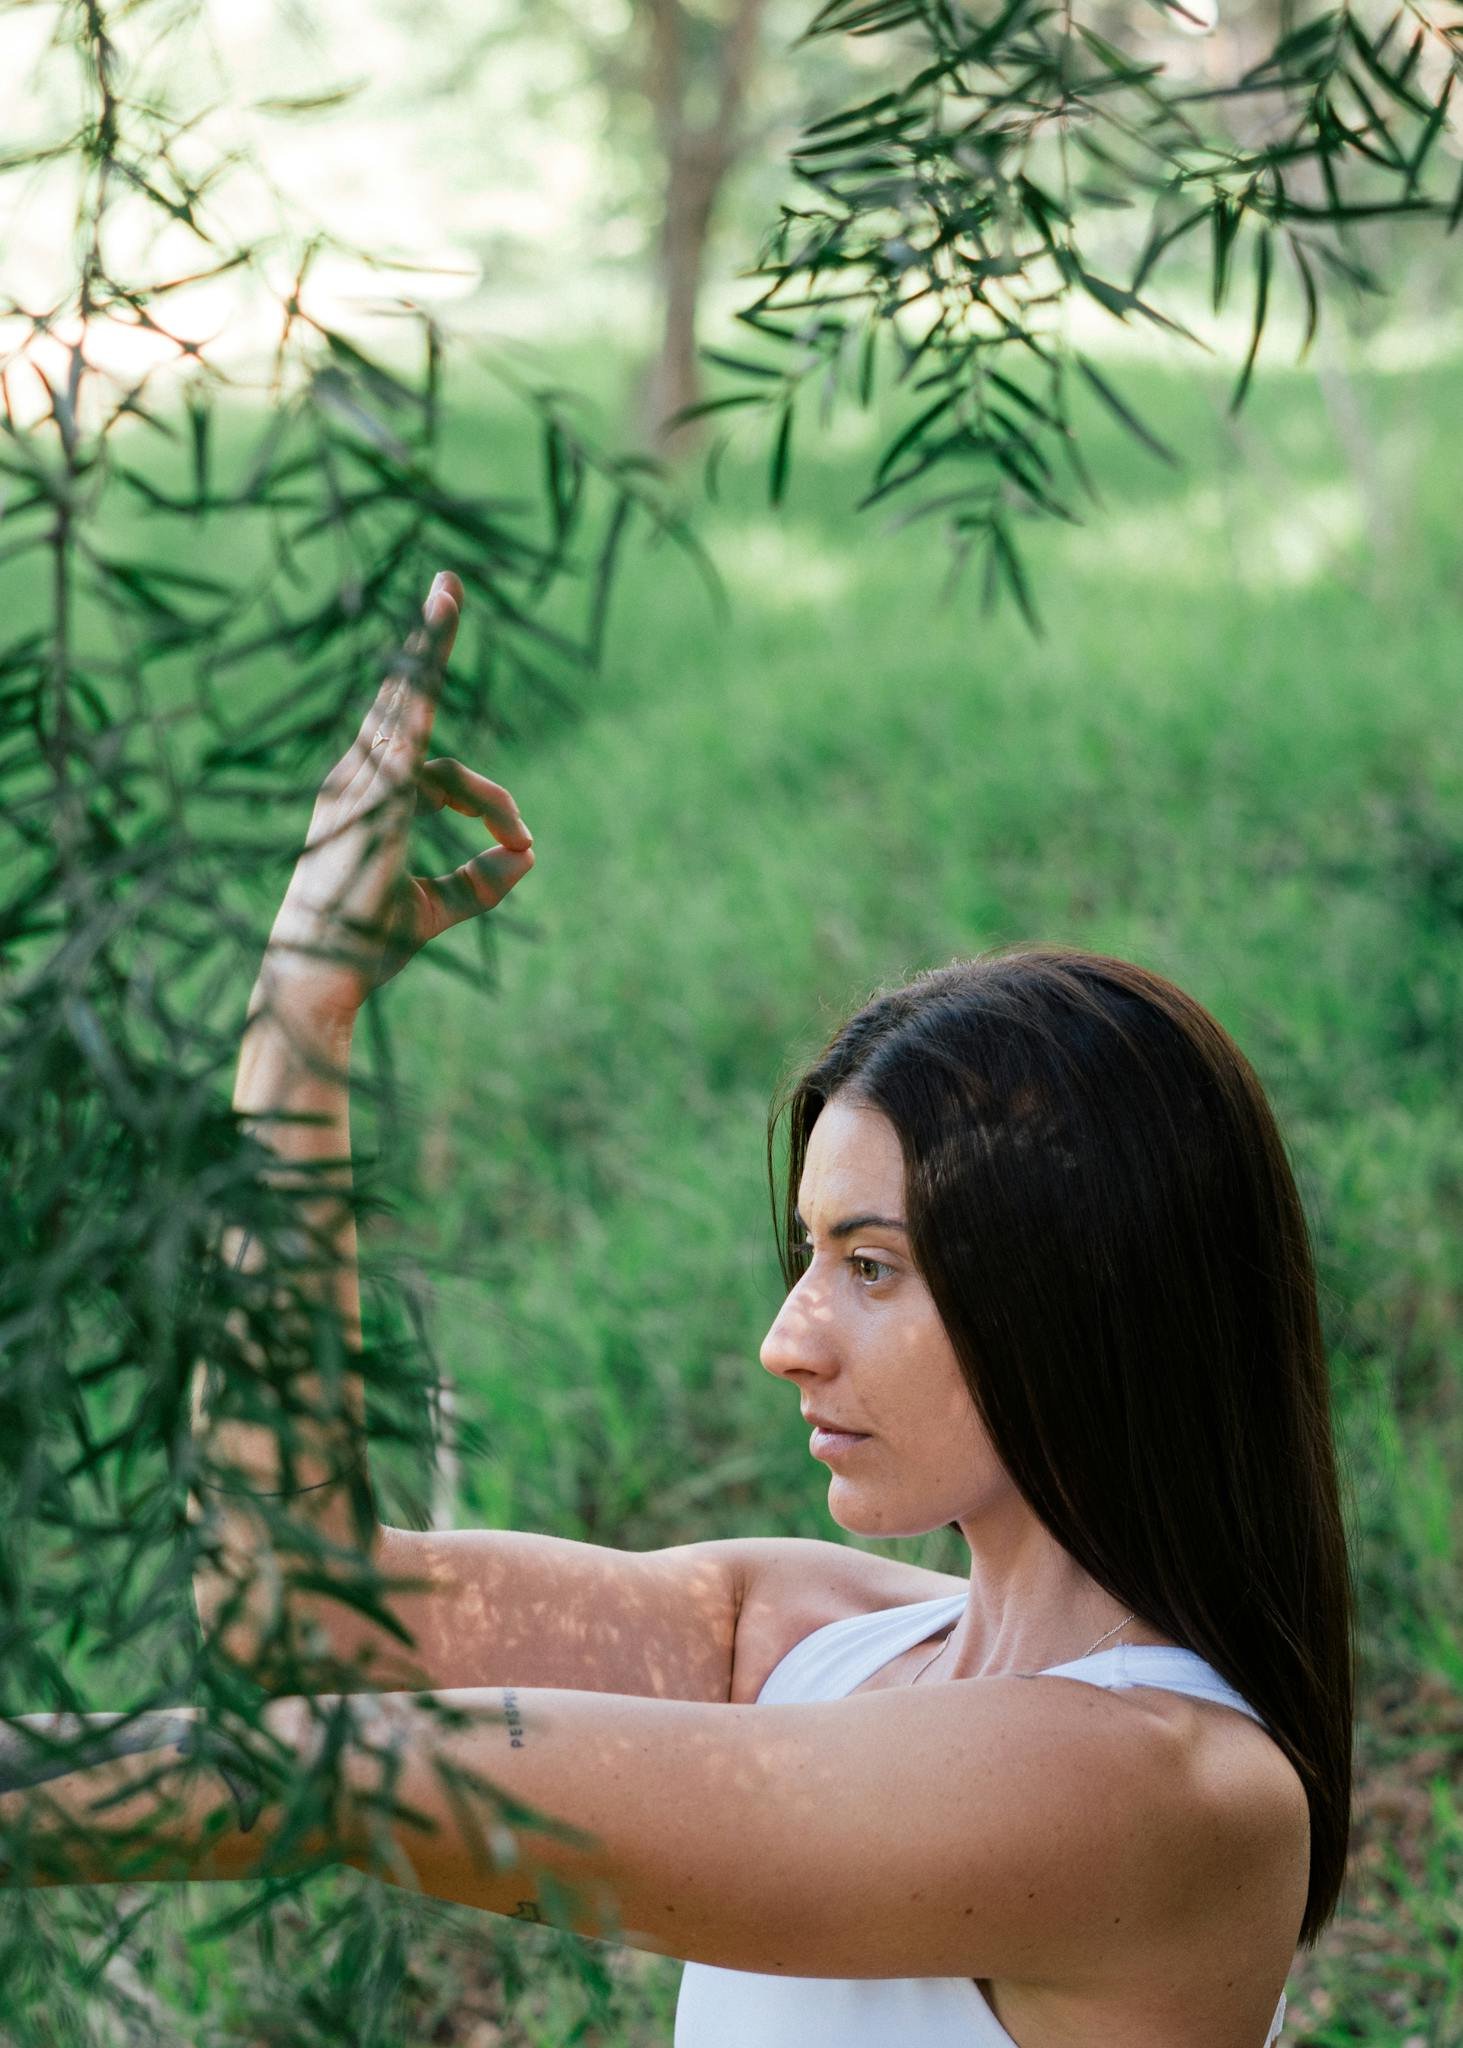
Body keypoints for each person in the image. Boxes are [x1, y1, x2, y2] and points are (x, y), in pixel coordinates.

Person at [1, 571, 1353, 2048]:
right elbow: (292, 1611)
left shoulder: (1161, 1790)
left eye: (873, 1267)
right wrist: (298, 1022)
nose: (788, 1338)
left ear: (1084, 1291)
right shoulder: (815, 1642)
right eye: (807, 1256)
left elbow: (367, 1771)